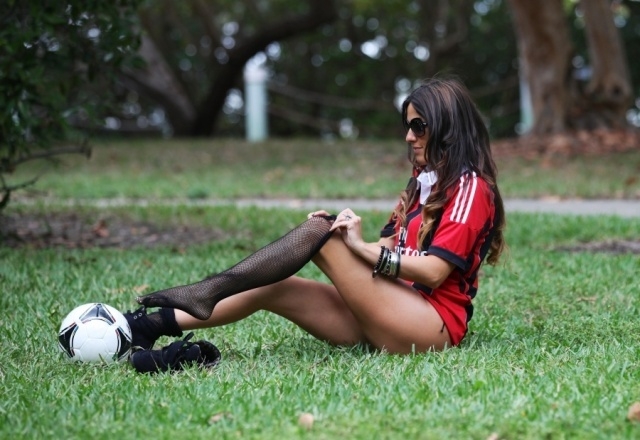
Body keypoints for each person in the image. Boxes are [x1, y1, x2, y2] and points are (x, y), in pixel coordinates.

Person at [125, 76, 506, 359]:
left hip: (429, 326)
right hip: (390, 308)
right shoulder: (421, 181)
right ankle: (145, 326)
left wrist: (351, 246)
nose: (409, 136)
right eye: (407, 126)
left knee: (323, 232)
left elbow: (434, 272)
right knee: (277, 283)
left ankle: (207, 290)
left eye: (418, 126)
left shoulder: (470, 188)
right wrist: (348, 237)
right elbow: (387, 249)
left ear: (447, 128)